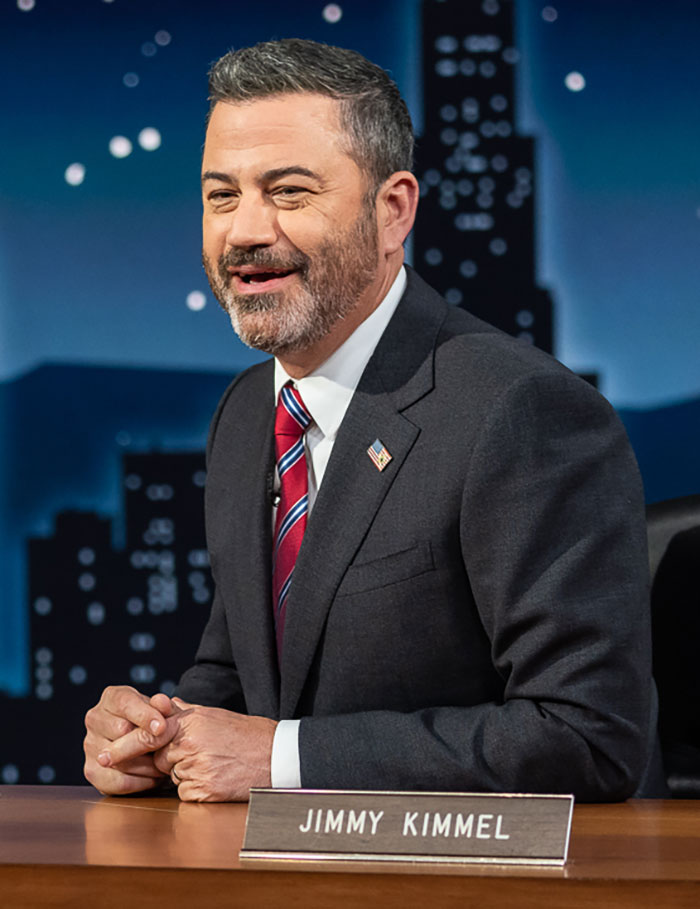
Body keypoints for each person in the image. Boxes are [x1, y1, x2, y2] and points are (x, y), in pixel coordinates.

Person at [84, 38, 662, 803]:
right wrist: (155, 737)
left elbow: (588, 736)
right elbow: (241, 679)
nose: (245, 230)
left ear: (393, 211)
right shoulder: (247, 411)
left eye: (289, 191)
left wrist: (281, 759)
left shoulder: (524, 411)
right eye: (221, 196)